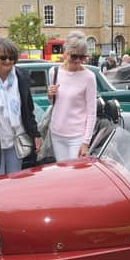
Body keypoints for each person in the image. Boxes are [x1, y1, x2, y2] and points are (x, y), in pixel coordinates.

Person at [0, 38, 41, 177]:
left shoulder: (21, 76)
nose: (8, 61)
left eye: (11, 58)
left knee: (14, 181)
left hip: (16, 138)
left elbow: (28, 109)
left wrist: (35, 134)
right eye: (3, 57)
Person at [47, 30, 97, 161]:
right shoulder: (54, 72)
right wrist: (50, 95)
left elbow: (91, 112)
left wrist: (86, 142)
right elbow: (54, 104)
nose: (78, 61)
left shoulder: (89, 77)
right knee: (63, 174)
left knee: (75, 176)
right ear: (66, 52)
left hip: (77, 136)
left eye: (82, 57)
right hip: (57, 133)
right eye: (74, 56)